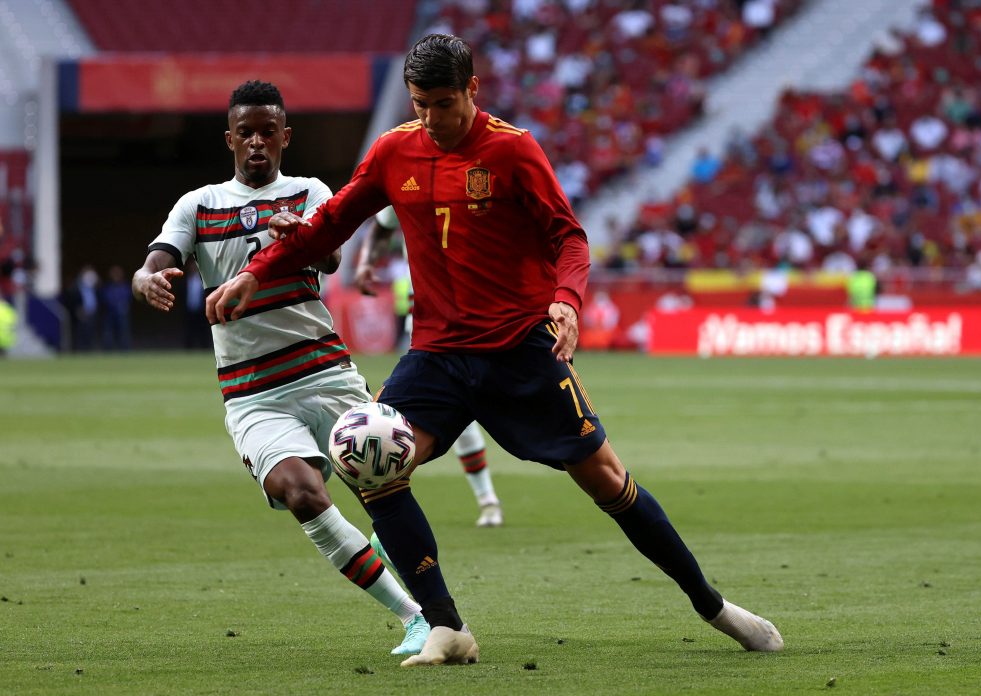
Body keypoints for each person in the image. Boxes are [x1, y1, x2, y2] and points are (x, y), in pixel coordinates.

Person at [208, 36, 783, 666]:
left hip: (520, 351)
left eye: (444, 103)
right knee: (371, 461)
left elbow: (569, 236)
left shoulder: (512, 150)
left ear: (473, 90)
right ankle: (447, 627)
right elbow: (331, 224)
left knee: (608, 481)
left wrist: (566, 299)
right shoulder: (395, 149)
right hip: (437, 355)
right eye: (420, 104)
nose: (431, 118)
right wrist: (256, 272)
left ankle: (713, 606)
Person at [133, 80, 428, 656]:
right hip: (252, 393)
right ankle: (412, 615)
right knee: (301, 493)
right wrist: (146, 279)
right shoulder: (198, 205)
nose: (258, 142)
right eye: (246, 132)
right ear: (230, 140)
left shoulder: (309, 192)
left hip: (326, 373)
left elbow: (331, 256)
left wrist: (301, 237)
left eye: (269, 131)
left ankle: (389, 539)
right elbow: (157, 260)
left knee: (388, 477)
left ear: (285, 137)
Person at [355, 205, 503, 528]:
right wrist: (367, 262)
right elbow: (381, 224)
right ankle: (483, 500)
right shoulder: (410, 183)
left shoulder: (476, 187)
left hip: (482, 324)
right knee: (399, 419)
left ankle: (395, 513)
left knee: (478, 416)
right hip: (426, 330)